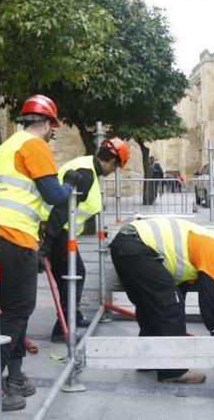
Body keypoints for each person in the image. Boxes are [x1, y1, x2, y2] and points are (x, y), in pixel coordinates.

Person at [0, 94, 74, 411]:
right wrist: (71, 187)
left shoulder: (7, 146)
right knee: (18, 310)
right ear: (47, 125)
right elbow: (54, 194)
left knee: (14, 310)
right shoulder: (34, 145)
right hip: (10, 237)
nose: (52, 134)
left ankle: (14, 377)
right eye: (53, 128)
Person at [108, 218, 214, 384]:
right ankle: (174, 370)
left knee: (152, 305)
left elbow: (180, 292)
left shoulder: (201, 247)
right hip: (137, 248)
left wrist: (175, 311)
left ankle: (147, 359)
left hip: (124, 245)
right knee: (170, 305)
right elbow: (208, 295)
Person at [42, 138, 129, 342]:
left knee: (70, 275)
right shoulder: (87, 173)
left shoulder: (86, 166)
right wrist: (47, 244)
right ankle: (63, 329)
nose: (113, 172)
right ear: (112, 163)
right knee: (75, 273)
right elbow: (62, 209)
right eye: (116, 168)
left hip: (58, 230)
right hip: (56, 230)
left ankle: (71, 318)